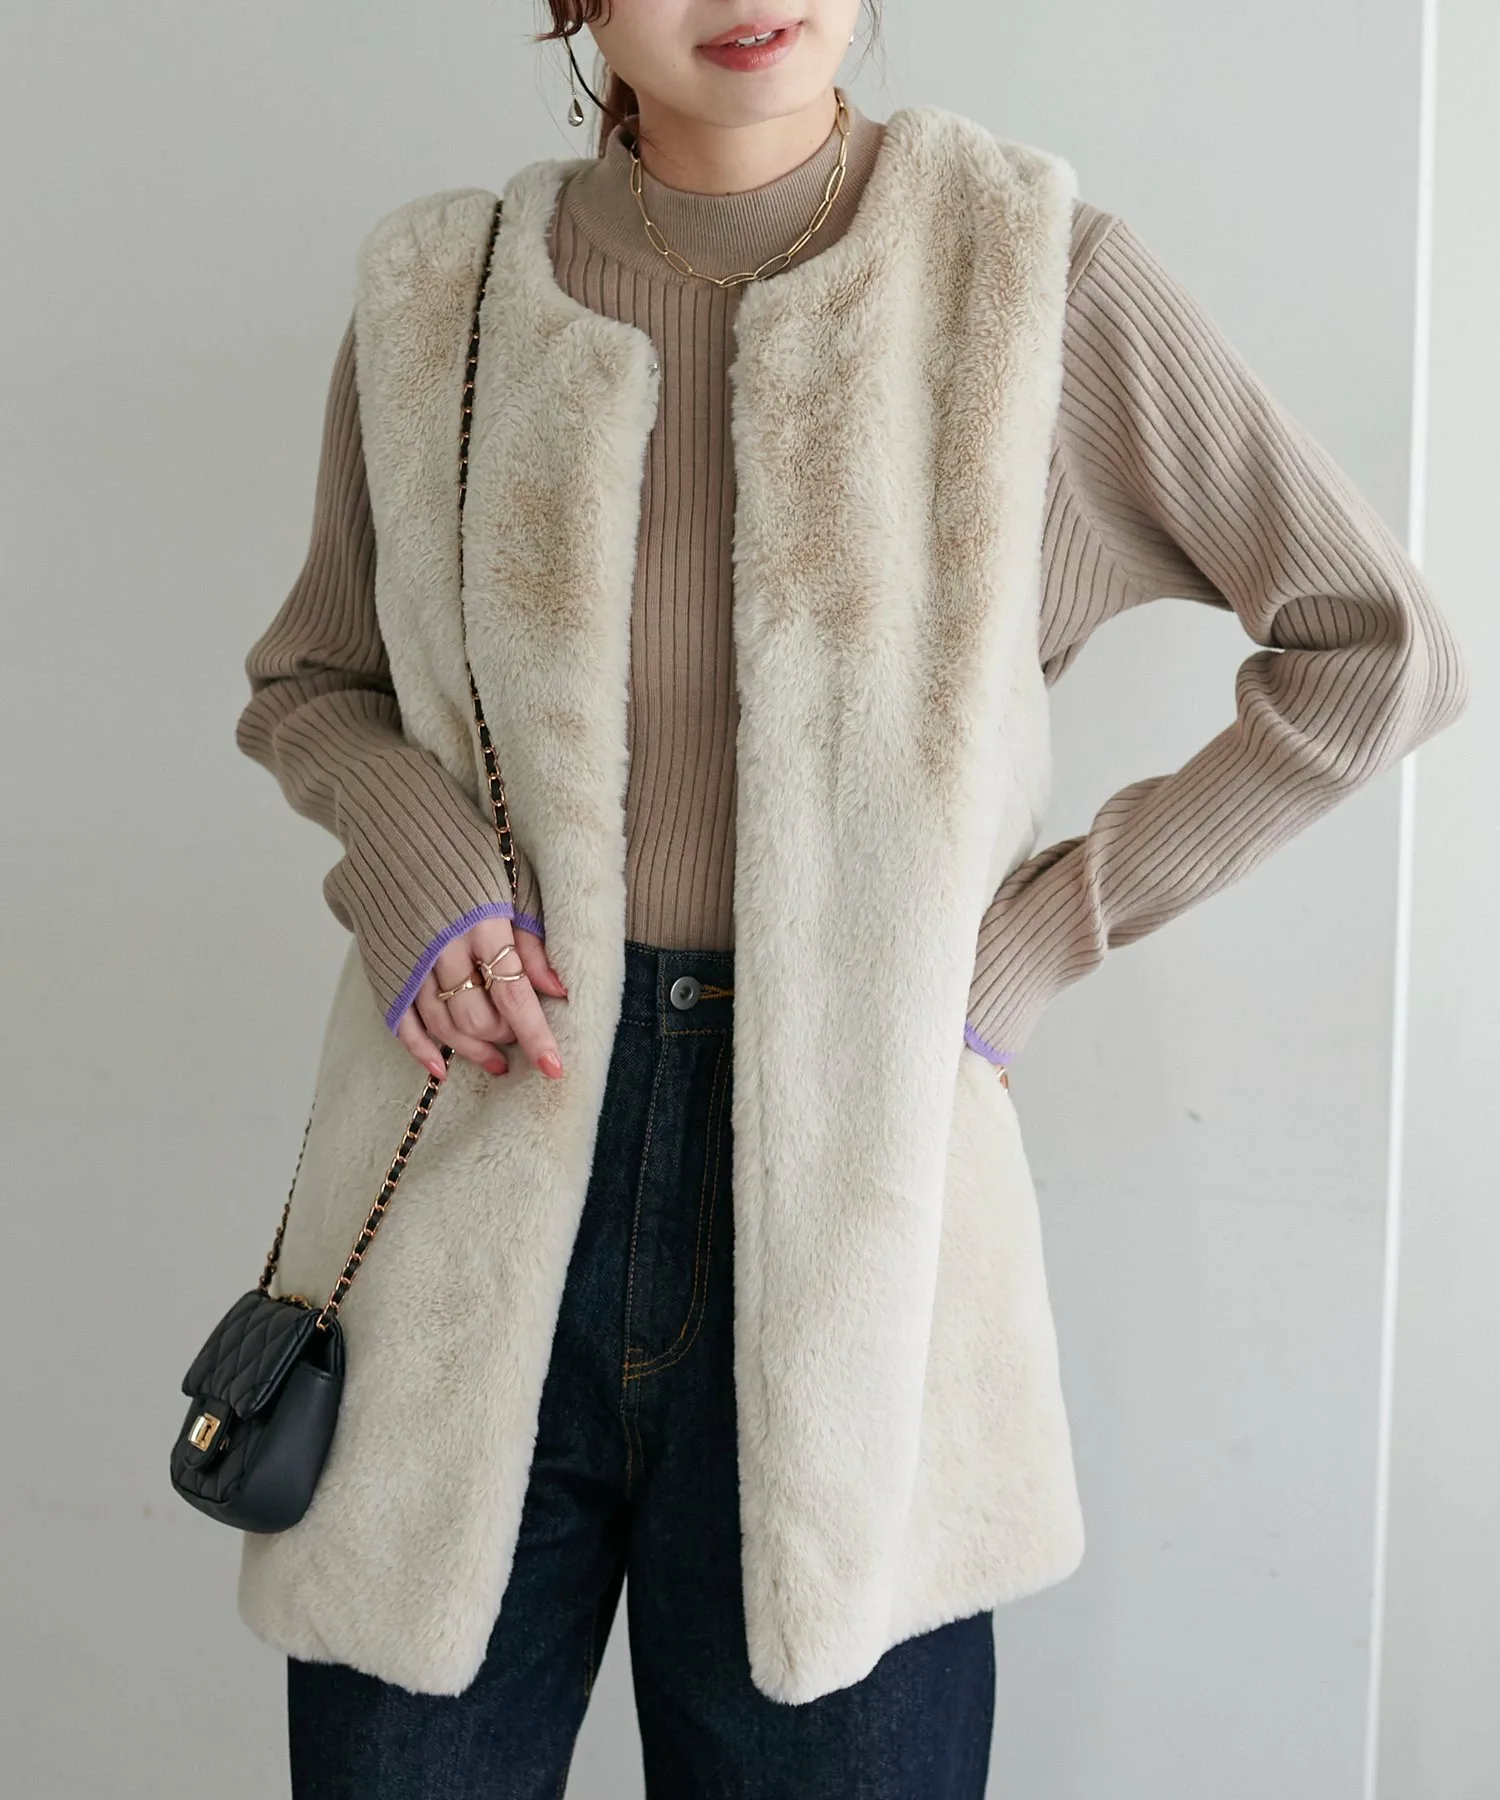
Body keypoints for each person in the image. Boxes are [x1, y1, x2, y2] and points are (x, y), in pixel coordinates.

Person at [231, 2, 1471, 1794]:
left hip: (858, 1209)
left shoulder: (1025, 275)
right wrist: (416, 861)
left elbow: (1375, 648)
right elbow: (314, 681)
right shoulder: (445, 294)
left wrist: (1035, 938)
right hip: (468, 1182)